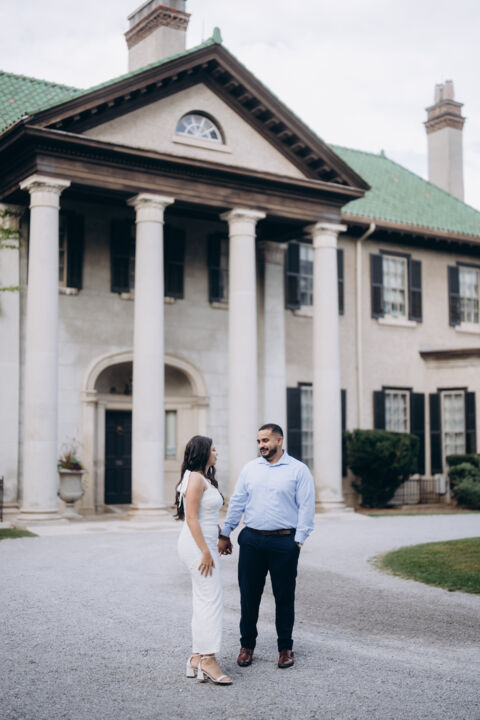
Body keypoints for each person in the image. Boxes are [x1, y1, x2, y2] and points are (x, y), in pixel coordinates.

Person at [218, 423, 315, 669]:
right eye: (259, 441)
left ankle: (285, 648)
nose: (261, 445)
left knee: (284, 597)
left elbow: (306, 506)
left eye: (265, 441)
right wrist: (226, 532)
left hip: (284, 542)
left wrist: (298, 541)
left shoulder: (298, 470)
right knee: (248, 597)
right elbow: (237, 502)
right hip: (252, 540)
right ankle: (246, 647)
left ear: (279, 441)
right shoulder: (250, 469)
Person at [176, 435, 232, 685]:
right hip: (197, 546)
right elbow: (190, 518)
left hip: (205, 542)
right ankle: (209, 659)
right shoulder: (196, 479)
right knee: (211, 600)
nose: (216, 453)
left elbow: (205, 515)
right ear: (202, 452)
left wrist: (221, 536)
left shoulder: (202, 478)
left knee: (203, 600)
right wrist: (206, 552)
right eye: (213, 449)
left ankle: (197, 657)